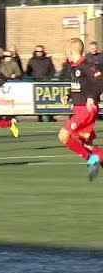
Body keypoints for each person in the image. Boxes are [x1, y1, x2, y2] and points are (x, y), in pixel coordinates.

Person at [58, 39, 103, 180]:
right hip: (79, 109)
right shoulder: (74, 67)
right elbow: (79, 87)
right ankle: (95, 157)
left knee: (63, 135)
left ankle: (91, 159)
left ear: (71, 51)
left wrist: (91, 97)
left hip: (86, 109)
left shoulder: (86, 65)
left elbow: (100, 80)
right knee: (88, 145)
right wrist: (67, 95)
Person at [25, 46, 58, 122]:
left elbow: (52, 70)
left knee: (48, 101)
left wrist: (48, 78)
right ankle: (39, 117)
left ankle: (50, 116)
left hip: (46, 83)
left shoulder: (47, 60)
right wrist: (32, 78)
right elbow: (28, 72)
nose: (38, 53)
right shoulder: (32, 60)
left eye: (40, 51)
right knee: (37, 101)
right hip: (36, 83)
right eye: (37, 51)